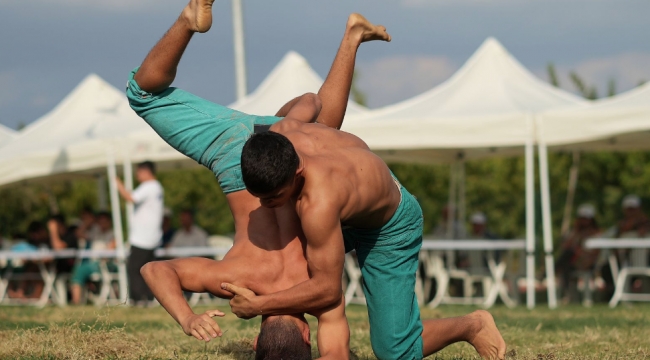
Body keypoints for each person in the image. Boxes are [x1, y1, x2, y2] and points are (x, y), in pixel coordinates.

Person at [129, 1, 504, 359]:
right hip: (252, 153)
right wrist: (190, 316)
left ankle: (346, 38)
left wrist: (206, 314)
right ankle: (347, 37)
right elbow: (157, 270)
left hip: (330, 193)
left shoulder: (312, 255)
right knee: (145, 93)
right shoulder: (257, 277)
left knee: (397, 350)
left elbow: (311, 105)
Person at [235, 66, 506, 360]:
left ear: (297, 170)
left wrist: (260, 305)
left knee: (395, 352)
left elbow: (327, 290)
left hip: (390, 224)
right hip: (359, 195)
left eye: (275, 196)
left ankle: (472, 325)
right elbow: (312, 100)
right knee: (284, 258)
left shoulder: (318, 204)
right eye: (260, 197)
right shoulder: (282, 133)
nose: (266, 205)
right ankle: (284, 337)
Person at [116, 161, 164, 305]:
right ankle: (148, 298)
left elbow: (131, 197)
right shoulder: (157, 187)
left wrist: (118, 184)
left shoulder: (149, 186)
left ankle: (138, 299)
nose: (137, 175)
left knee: (135, 269)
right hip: (151, 237)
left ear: (146, 171)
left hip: (143, 238)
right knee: (149, 270)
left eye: (138, 172)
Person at [555, 204, 601, 303]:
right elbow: (565, 246)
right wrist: (576, 232)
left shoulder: (596, 233)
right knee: (566, 263)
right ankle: (568, 295)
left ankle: (549, 271)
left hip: (588, 263)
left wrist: (580, 253)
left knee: (567, 260)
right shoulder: (575, 232)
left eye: (586, 219)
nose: (583, 222)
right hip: (575, 262)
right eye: (581, 219)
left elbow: (595, 253)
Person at [69, 211, 116, 305]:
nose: (102, 224)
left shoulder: (113, 235)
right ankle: (76, 301)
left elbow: (109, 252)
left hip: (105, 264)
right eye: (100, 221)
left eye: (104, 221)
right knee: (78, 269)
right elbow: (79, 234)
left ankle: (76, 301)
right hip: (93, 263)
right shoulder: (95, 232)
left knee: (80, 269)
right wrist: (86, 223)